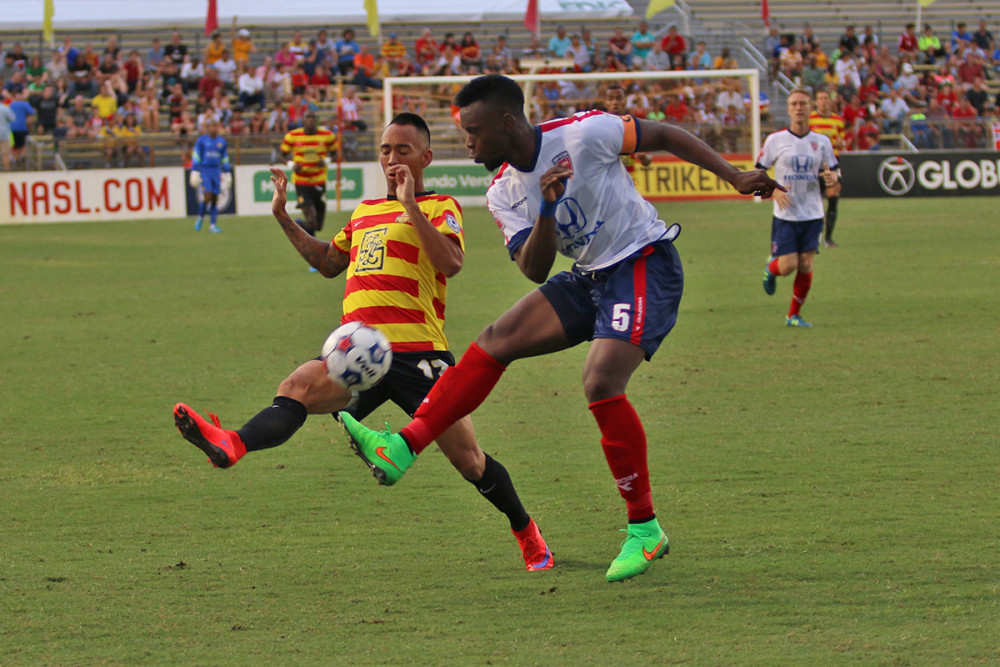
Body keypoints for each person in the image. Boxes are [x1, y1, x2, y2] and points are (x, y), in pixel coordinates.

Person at [338, 74, 780, 583]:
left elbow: (660, 135)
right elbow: (533, 267)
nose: (468, 143)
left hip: (643, 262)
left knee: (600, 381)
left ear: (507, 124)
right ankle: (405, 445)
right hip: (588, 276)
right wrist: (547, 207)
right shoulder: (503, 191)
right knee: (494, 341)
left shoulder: (584, 133)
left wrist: (732, 174)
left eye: (475, 132)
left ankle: (644, 529)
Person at [173, 113, 553, 573]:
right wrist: (281, 216)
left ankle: (527, 533)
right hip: (356, 354)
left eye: (404, 151)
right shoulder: (365, 211)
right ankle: (231, 443)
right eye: (385, 150)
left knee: (470, 462)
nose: (392, 159)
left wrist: (411, 205)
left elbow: (450, 263)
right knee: (295, 386)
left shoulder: (440, 207)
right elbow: (329, 263)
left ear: (425, 158)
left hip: (421, 357)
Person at [758, 89, 838, 328]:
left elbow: (834, 170)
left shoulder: (822, 141)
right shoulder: (775, 140)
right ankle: (770, 269)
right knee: (787, 266)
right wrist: (773, 190)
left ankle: (793, 315)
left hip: (813, 213)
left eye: (803, 103)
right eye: (794, 104)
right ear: (789, 109)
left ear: (810, 106)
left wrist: (833, 179)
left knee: (806, 264)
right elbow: (758, 173)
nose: (799, 107)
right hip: (786, 214)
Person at [279, 109, 337, 237]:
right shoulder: (292, 136)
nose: (311, 120)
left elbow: (335, 152)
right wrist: (291, 164)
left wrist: (326, 160)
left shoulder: (327, 135)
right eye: (308, 117)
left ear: (317, 120)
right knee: (311, 219)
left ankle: (298, 224)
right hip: (302, 182)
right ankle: (314, 251)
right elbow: (281, 155)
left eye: (313, 117)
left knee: (318, 225)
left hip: (319, 182)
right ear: (302, 120)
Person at [808, 89, 846, 248]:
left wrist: (840, 143)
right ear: (816, 102)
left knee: (833, 197)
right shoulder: (810, 119)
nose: (823, 101)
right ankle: (813, 235)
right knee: (812, 202)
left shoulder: (838, 120)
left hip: (832, 164)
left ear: (830, 101)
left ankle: (828, 238)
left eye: (826, 98)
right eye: (820, 98)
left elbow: (842, 142)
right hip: (813, 165)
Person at [191, 118, 230, 233]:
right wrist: (195, 170)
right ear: (208, 128)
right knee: (207, 196)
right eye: (211, 126)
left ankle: (213, 225)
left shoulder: (221, 142)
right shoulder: (202, 141)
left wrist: (227, 171)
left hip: (216, 171)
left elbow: (224, 157)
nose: (214, 128)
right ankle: (200, 218)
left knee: (215, 198)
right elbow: (196, 155)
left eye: (215, 126)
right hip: (205, 170)